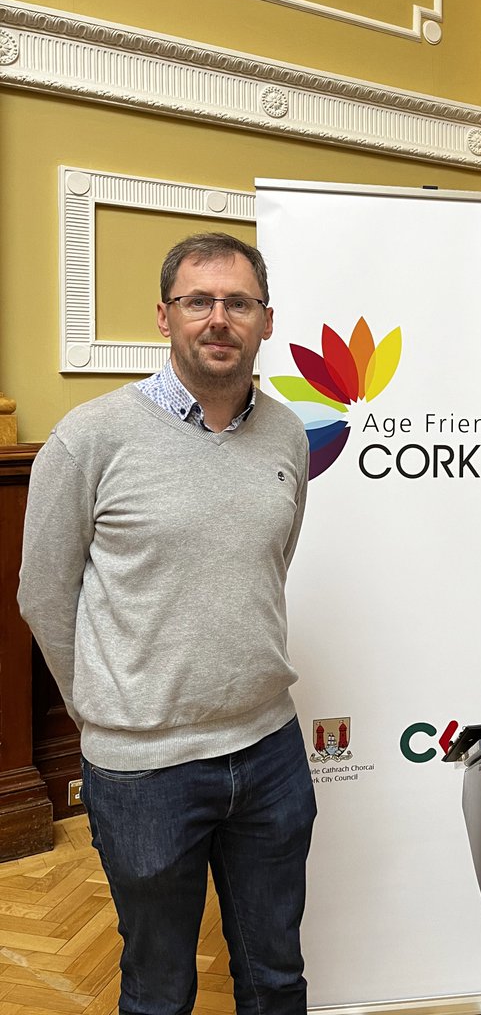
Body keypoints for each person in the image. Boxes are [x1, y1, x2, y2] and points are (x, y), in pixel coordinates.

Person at [18, 232, 315, 1015]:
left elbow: (268, 563)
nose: (219, 319)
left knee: (276, 976)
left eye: (239, 303)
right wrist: (102, 706)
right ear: (164, 316)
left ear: (266, 320)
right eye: (199, 301)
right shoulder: (90, 438)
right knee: (158, 988)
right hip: (145, 768)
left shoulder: (287, 433)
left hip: (271, 752)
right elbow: (43, 593)